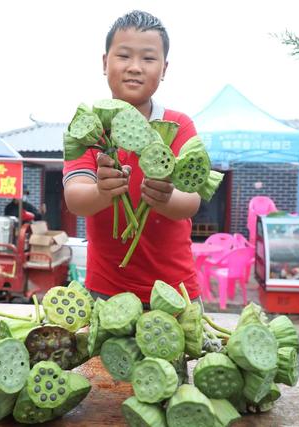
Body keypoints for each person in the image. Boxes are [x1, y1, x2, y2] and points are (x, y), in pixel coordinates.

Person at [62, 10, 202, 304]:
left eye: (148, 59)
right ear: (105, 62)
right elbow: (75, 198)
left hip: (176, 293)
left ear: (164, 68)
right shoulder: (89, 127)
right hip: (105, 291)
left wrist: (165, 199)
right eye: (124, 56)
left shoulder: (179, 126)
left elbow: (191, 201)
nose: (135, 67)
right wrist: (102, 191)